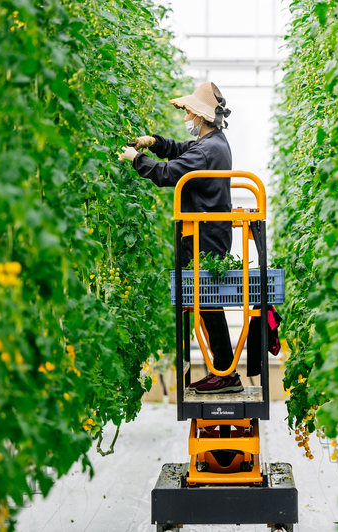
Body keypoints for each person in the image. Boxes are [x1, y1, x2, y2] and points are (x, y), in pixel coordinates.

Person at [118, 81, 242, 395]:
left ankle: (226, 374)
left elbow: (169, 173)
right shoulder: (213, 142)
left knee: (209, 305)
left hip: (206, 238)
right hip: (207, 235)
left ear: (201, 116)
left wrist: (136, 159)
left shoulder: (209, 150)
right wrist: (154, 142)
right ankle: (224, 372)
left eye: (189, 110)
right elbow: (178, 150)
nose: (186, 115)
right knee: (207, 305)